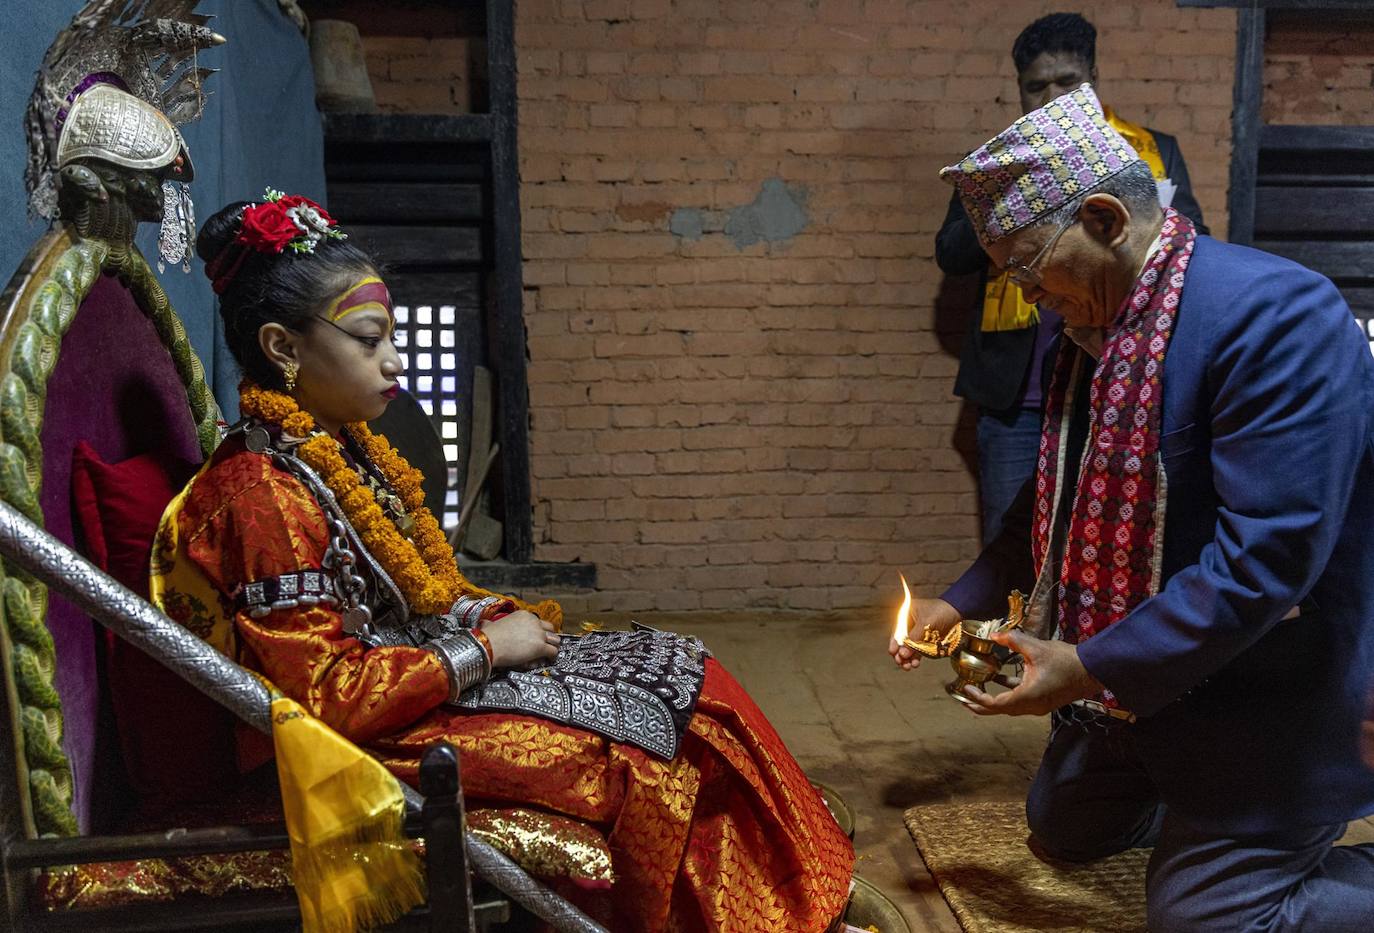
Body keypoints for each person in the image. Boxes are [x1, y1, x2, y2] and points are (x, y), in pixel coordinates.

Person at [150, 191, 854, 932]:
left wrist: (480, 613)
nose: (393, 360)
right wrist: (483, 649)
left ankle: (802, 894)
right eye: (366, 339)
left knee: (682, 666)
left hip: (411, 683)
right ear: (283, 348)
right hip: (357, 741)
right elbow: (324, 694)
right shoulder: (259, 496)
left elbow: (417, 589)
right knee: (649, 749)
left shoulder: (339, 446)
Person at [895, 85, 1374, 929]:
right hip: (1148, 687)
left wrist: (1087, 666)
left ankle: (1266, 835)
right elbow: (1055, 506)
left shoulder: (1276, 318)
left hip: (1272, 687)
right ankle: (1170, 782)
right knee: (1061, 832)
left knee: (1206, 920)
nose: (1026, 292)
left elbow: (1264, 565)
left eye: (1028, 267)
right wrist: (958, 602)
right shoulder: (1089, 327)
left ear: (1106, 219)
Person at [935, 12, 1207, 543]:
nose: (1050, 97)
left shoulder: (1149, 149)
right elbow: (951, 255)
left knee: (1103, 533)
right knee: (1010, 539)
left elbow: (1190, 241)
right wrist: (1004, 204)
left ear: (1094, 80)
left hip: (1114, 375)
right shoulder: (992, 167)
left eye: (1067, 82)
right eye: (1036, 87)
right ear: (1019, 92)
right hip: (1017, 392)